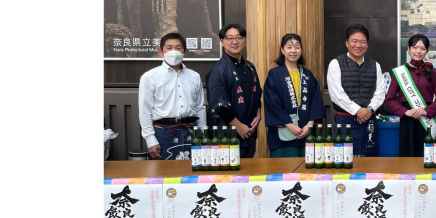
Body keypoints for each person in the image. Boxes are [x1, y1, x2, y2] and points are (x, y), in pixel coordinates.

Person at [138, 32, 206, 160]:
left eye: (178, 47)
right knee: (165, 175)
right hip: (163, 132)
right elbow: (145, 110)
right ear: (161, 51)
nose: (173, 51)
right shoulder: (150, 77)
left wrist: (203, 133)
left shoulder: (194, 76)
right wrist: (150, 139)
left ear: (185, 51)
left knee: (193, 173)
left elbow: (200, 107)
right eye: (169, 48)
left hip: (191, 130)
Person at [327, 24, 387, 157]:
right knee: (344, 160)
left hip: (369, 121)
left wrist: (368, 110)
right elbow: (337, 94)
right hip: (345, 122)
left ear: (367, 45)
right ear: (347, 43)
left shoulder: (375, 65)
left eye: (362, 42)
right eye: (354, 41)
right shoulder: (336, 63)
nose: (358, 45)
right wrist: (357, 110)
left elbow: (380, 92)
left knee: (370, 162)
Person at [205, 24, 262, 158]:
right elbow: (219, 106)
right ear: (222, 41)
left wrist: (258, 114)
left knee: (247, 175)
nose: (234, 42)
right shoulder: (219, 69)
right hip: (228, 135)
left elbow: (257, 92)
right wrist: (239, 126)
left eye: (238, 38)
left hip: (249, 133)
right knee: (228, 175)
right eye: (229, 38)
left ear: (245, 40)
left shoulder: (250, 66)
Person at [264, 34, 325, 157]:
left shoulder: (308, 75)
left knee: (307, 173)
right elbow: (272, 103)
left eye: (297, 47)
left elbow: (316, 101)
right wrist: (290, 125)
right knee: (286, 173)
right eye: (289, 47)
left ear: (301, 50)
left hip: (306, 134)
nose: (293, 51)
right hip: (283, 137)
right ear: (282, 50)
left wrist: (310, 124)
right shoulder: (275, 74)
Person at [385, 34, 436, 157]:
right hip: (407, 120)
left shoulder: (432, 72)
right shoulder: (400, 72)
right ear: (408, 49)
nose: (418, 51)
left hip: (426, 119)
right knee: (408, 153)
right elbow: (390, 99)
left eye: (422, 48)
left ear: (427, 51)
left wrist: (426, 111)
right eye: (415, 47)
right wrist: (405, 112)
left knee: (426, 154)